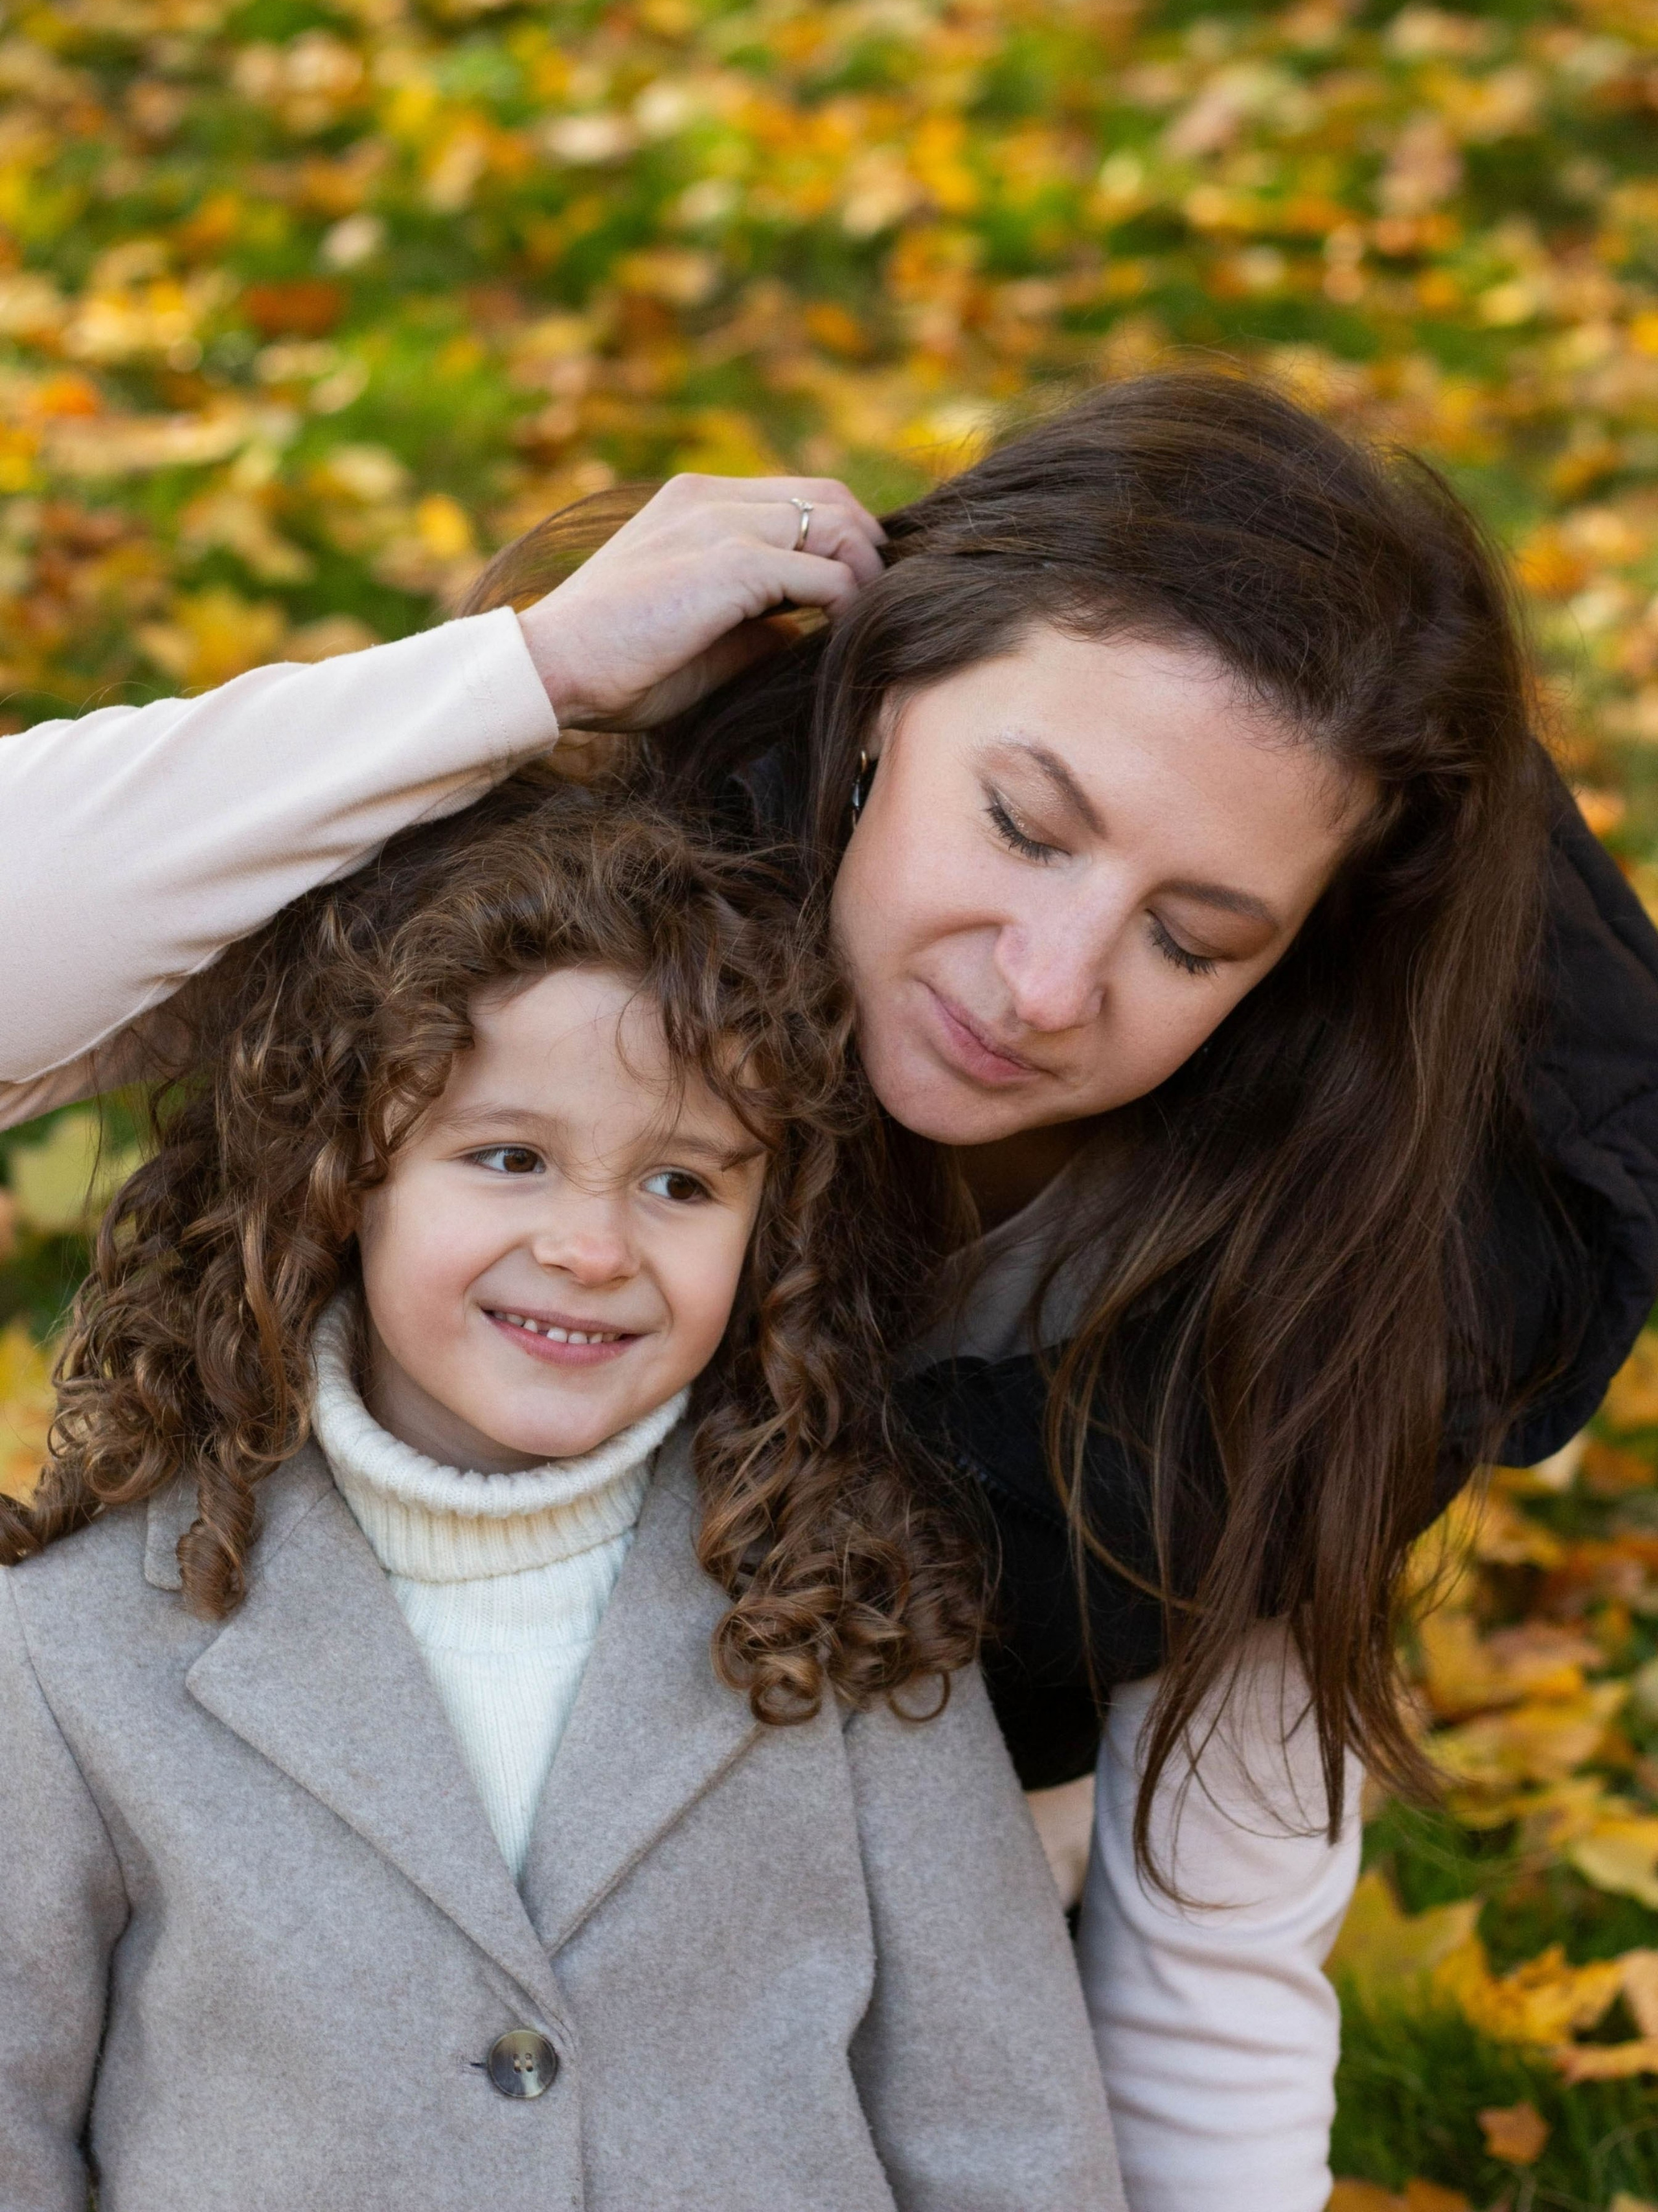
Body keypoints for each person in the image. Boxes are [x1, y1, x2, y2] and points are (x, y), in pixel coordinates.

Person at [3, 368, 1656, 2208]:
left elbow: (1212, 1972)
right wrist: (525, 677)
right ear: (880, 704)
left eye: (1191, 940)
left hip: (820, 1898)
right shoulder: (566, 936)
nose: (1046, 982)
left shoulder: (1307, 1273)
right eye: (1025, 823)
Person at [0, 780, 1122, 2212]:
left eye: (678, 1182)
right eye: (509, 1158)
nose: (591, 1248)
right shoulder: (78, 1643)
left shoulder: (850, 1605)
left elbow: (1005, 2128)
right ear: (344, 1177)